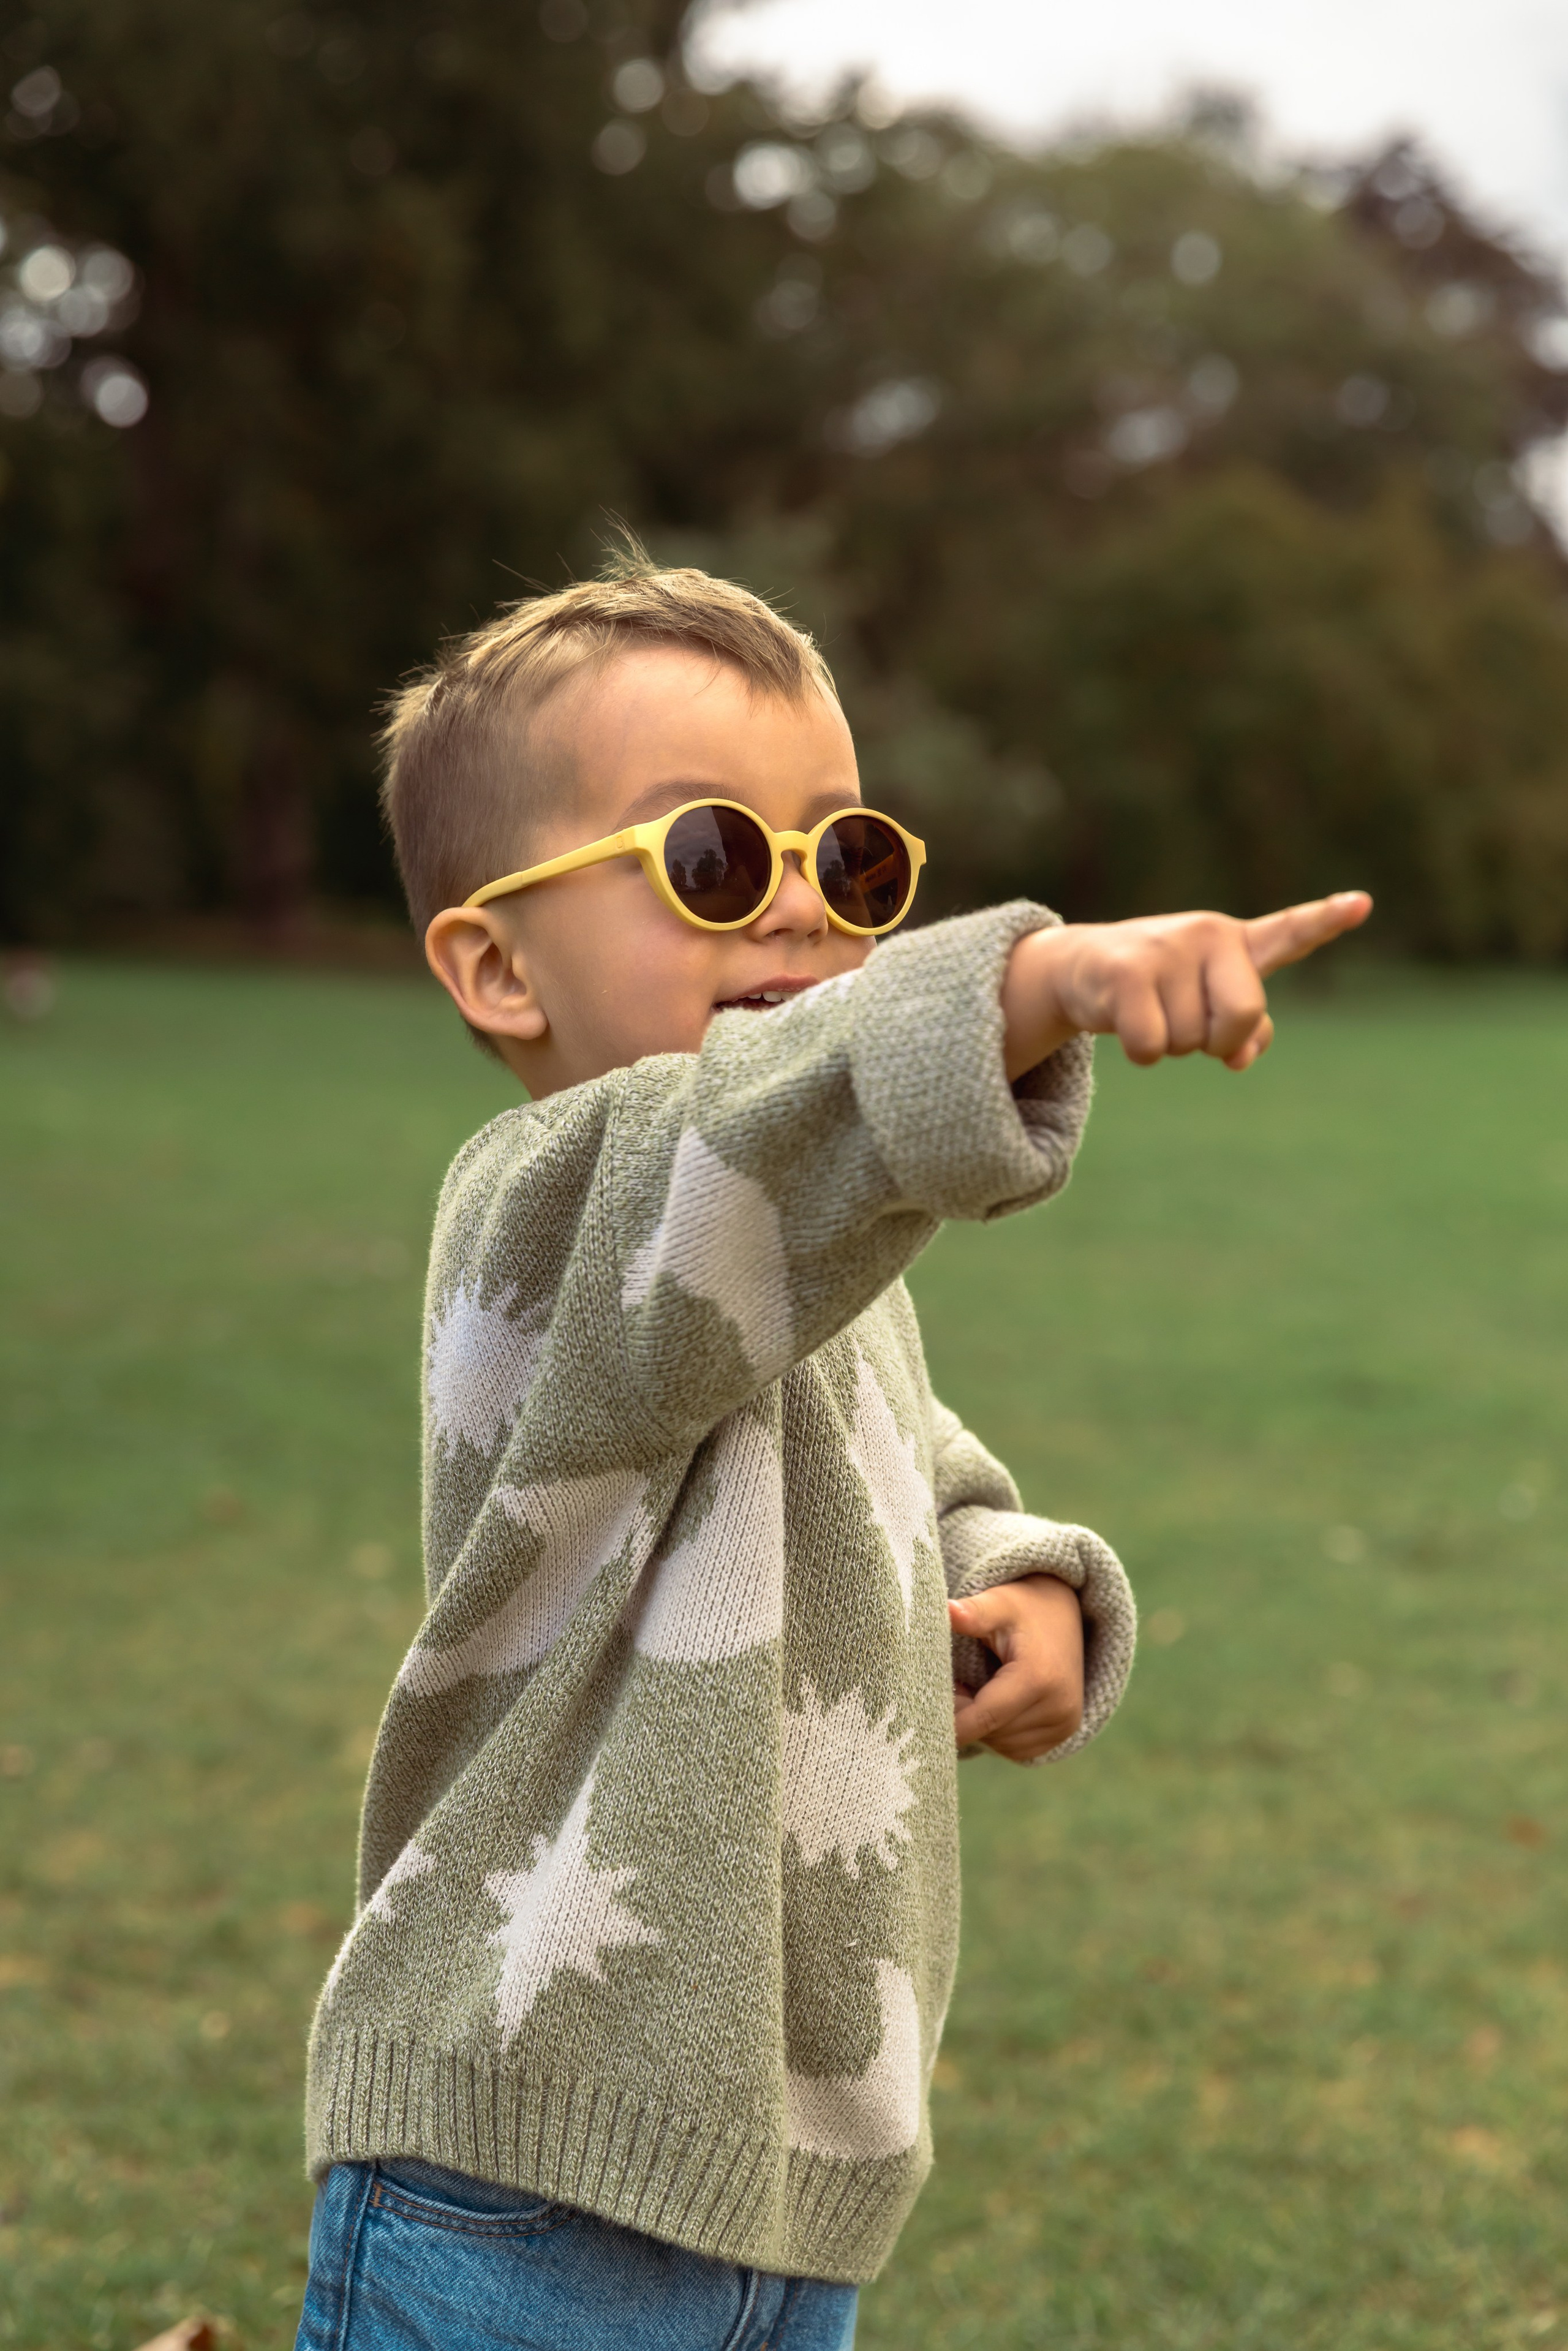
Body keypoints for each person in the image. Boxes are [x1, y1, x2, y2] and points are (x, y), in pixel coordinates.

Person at [294, 555, 1370, 2350]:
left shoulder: (796, 1263)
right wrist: (1044, 975)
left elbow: (897, 1451)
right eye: (715, 859)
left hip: (787, 2182)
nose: (800, 914)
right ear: (496, 964)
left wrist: (1009, 1574)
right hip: (520, 2170)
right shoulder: (552, 1213)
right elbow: (762, 1127)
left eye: (850, 862)